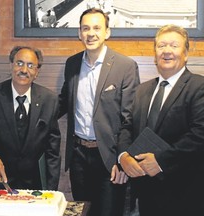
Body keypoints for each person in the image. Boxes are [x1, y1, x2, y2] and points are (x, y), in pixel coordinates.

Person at [118, 24, 204, 216]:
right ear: (155, 55)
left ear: (186, 53)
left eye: (174, 45)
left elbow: (202, 134)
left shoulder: (202, 87)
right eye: (161, 45)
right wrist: (124, 156)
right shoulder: (142, 90)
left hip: (187, 198)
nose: (167, 51)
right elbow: (127, 127)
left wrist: (161, 161)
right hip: (147, 196)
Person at [58, 8, 140, 216]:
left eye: (96, 28)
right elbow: (63, 101)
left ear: (107, 32)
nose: (91, 33)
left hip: (109, 159)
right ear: (79, 33)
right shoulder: (72, 64)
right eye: (86, 28)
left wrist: (122, 159)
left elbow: (129, 118)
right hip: (78, 156)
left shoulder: (125, 66)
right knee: (83, 211)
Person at [0, 46, 61, 199]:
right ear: (11, 65)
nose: (24, 70)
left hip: (33, 191)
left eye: (30, 65)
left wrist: (51, 192)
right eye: (19, 63)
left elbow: (52, 152)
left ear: (37, 71)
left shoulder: (50, 100)